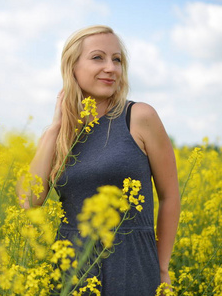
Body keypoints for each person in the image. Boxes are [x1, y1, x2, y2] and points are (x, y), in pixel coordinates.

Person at [17, 25, 180, 295]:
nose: (111, 68)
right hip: (71, 265)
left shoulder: (139, 117)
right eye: (98, 58)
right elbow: (28, 201)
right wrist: (55, 128)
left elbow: (169, 196)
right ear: (72, 67)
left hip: (133, 264)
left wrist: (162, 268)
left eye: (117, 60)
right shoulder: (59, 135)